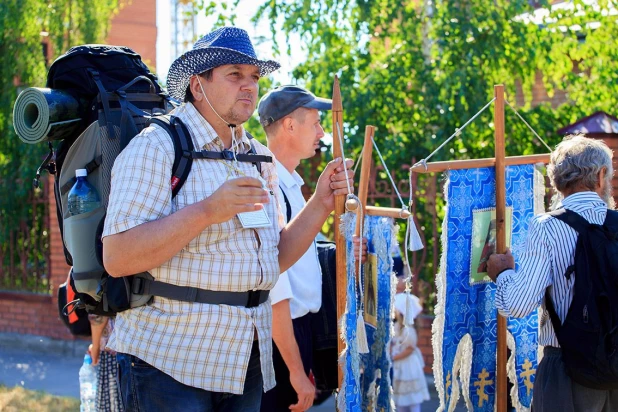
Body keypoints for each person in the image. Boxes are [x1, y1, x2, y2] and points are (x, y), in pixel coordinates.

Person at [101, 27, 355, 411]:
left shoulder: (254, 156)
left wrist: (320, 202)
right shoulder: (156, 146)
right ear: (198, 84)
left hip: (243, 364)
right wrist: (206, 211)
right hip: (167, 363)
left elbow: (275, 257)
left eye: (254, 77)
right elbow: (117, 257)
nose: (249, 86)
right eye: (234, 74)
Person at [487, 134, 618, 411]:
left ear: (556, 181)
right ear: (601, 175)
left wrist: (503, 274)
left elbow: (518, 305)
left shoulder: (547, 227)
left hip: (568, 367)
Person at [257, 85, 366, 411]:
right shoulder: (268, 183)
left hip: (299, 332)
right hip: (281, 342)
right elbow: (273, 286)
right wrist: (294, 369)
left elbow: (300, 255)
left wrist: (340, 254)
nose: (321, 132)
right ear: (290, 125)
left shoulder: (289, 183)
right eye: (315, 123)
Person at [391, 293, 430, 412]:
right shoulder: (397, 326)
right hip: (399, 364)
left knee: (412, 398)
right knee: (401, 398)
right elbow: (394, 340)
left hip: (408, 365)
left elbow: (409, 349)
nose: (395, 312)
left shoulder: (409, 330)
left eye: (397, 310)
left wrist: (394, 357)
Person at [88, 315, 123, 412]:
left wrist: (95, 348)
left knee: (112, 404)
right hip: (132, 351)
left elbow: (98, 315)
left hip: (111, 355)